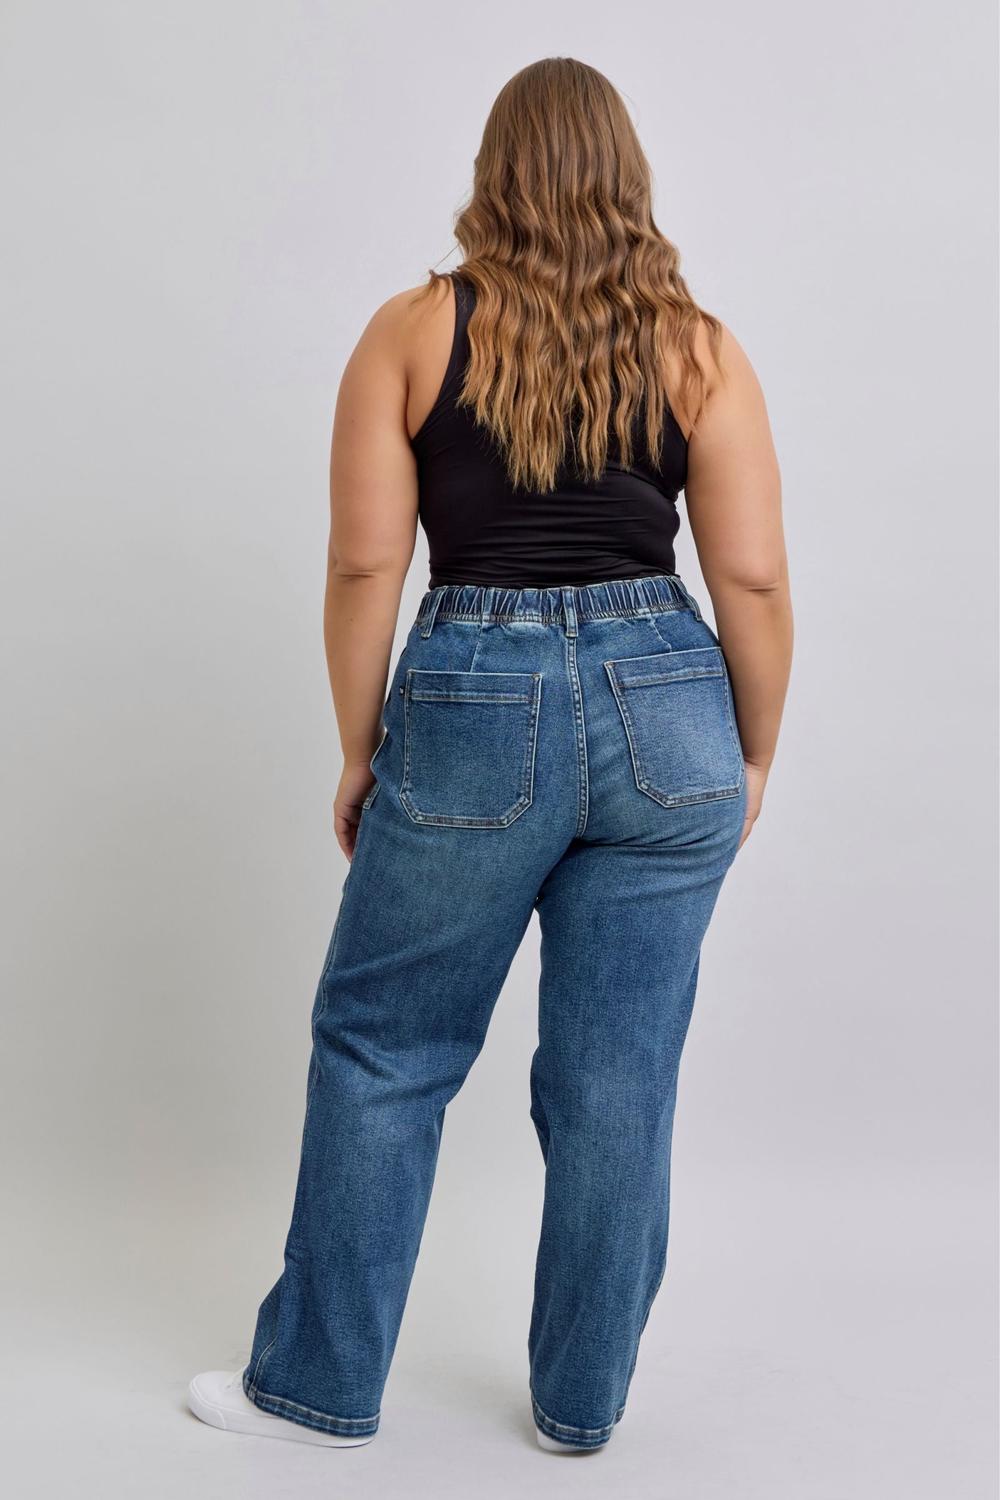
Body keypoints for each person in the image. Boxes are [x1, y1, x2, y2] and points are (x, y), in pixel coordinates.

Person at [188, 56, 793, 1454]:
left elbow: (364, 564)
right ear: (627, 177)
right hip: (670, 713)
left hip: (474, 699)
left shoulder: (411, 331)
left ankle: (317, 1391)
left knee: (385, 1046)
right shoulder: (698, 346)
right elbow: (752, 580)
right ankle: (581, 1410)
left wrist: (361, 748)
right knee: (617, 1079)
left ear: (493, 173)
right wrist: (751, 753)